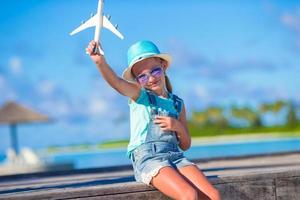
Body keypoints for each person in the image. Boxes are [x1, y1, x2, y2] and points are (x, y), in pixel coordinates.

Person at [86, 40, 221, 200]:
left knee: (213, 195)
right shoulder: (140, 96)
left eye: (155, 71)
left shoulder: (177, 103)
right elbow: (116, 82)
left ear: (163, 66)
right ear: (137, 81)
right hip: (149, 158)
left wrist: (177, 126)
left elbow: (185, 145)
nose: (150, 79)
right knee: (188, 195)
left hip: (175, 156)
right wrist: (100, 62)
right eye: (142, 77)